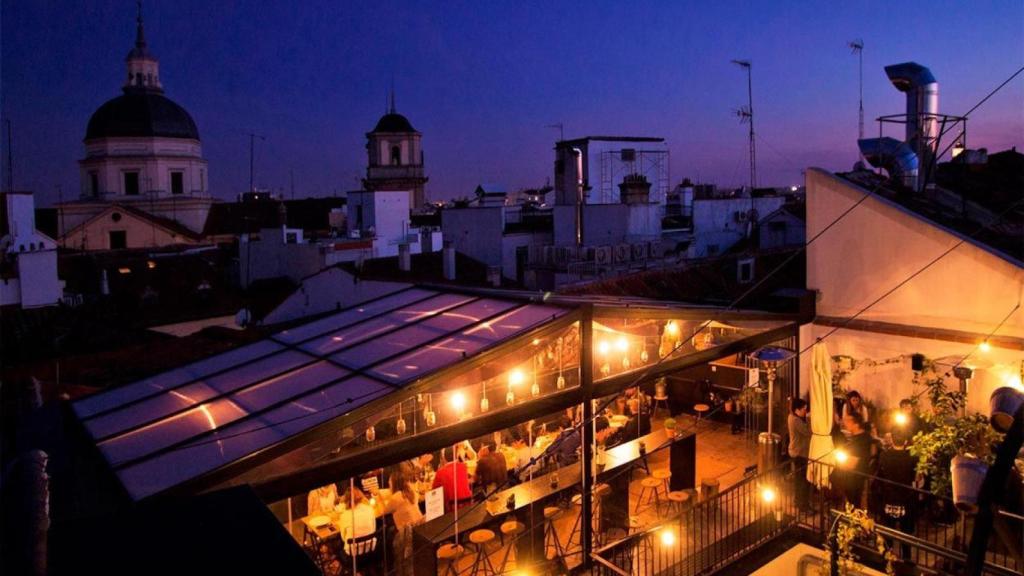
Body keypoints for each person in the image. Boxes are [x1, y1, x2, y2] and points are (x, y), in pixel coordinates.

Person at [876, 427, 918, 559]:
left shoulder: (884, 455)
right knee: (906, 533)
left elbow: (880, 474)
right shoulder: (912, 457)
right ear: (906, 441)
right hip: (906, 498)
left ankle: (887, 560)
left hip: (888, 497)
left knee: (888, 531)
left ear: (892, 439)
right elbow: (916, 478)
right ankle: (907, 560)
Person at [384, 467, 424, 576]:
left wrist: (381, 498)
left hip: (406, 534)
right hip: (419, 527)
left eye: (390, 481)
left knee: (387, 536)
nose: (388, 483)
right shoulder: (412, 492)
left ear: (394, 483)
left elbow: (384, 511)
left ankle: (392, 570)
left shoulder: (395, 498)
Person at [837, 411, 874, 507]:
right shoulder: (865, 436)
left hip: (854, 477)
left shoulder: (859, 441)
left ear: (856, 424)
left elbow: (851, 465)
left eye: (847, 421)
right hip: (858, 475)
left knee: (853, 503)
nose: (844, 423)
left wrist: (838, 461)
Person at [338, 487, 377, 557]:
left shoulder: (344, 515)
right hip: (370, 549)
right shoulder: (370, 509)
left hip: (352, 555)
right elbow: (374, 529)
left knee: (337, 546)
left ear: (346, 500)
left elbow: (343, 538)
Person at [788, 398, 812, 509]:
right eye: (804, 409)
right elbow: (808, 432)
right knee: (802, 480)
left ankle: (799, 502)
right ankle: (802, 505)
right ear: (797, 410)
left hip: (797, 451)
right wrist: (809, 419)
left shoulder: (793, 417)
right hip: (799, 453)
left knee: (799, 479)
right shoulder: (795, 420)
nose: (805, 411)